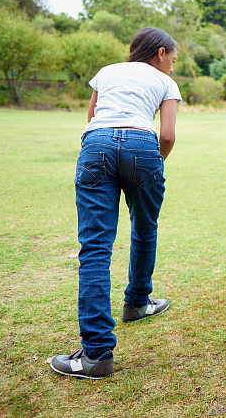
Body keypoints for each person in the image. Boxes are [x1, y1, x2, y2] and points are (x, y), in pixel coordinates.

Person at [49, 27, 181, 379]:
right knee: (144, 228)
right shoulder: (165, 82)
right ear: (160, 53)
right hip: (143, 144)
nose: (172, 66)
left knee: (94, 247)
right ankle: (137, 302)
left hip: (97, 144)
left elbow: (91, 118)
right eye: (172, 59)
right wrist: (153, 164)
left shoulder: (107, 72)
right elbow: (167, 135)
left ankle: (96, 355)